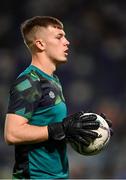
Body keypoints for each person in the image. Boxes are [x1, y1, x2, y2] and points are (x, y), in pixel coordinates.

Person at [4, 16, 112, 179]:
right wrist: (61, 128)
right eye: (59, 36)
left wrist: (86, 128)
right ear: (40, 44)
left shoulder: (53, 80)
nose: (67, 42)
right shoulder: (29, 81)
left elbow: (51, 130)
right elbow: (12, 134)